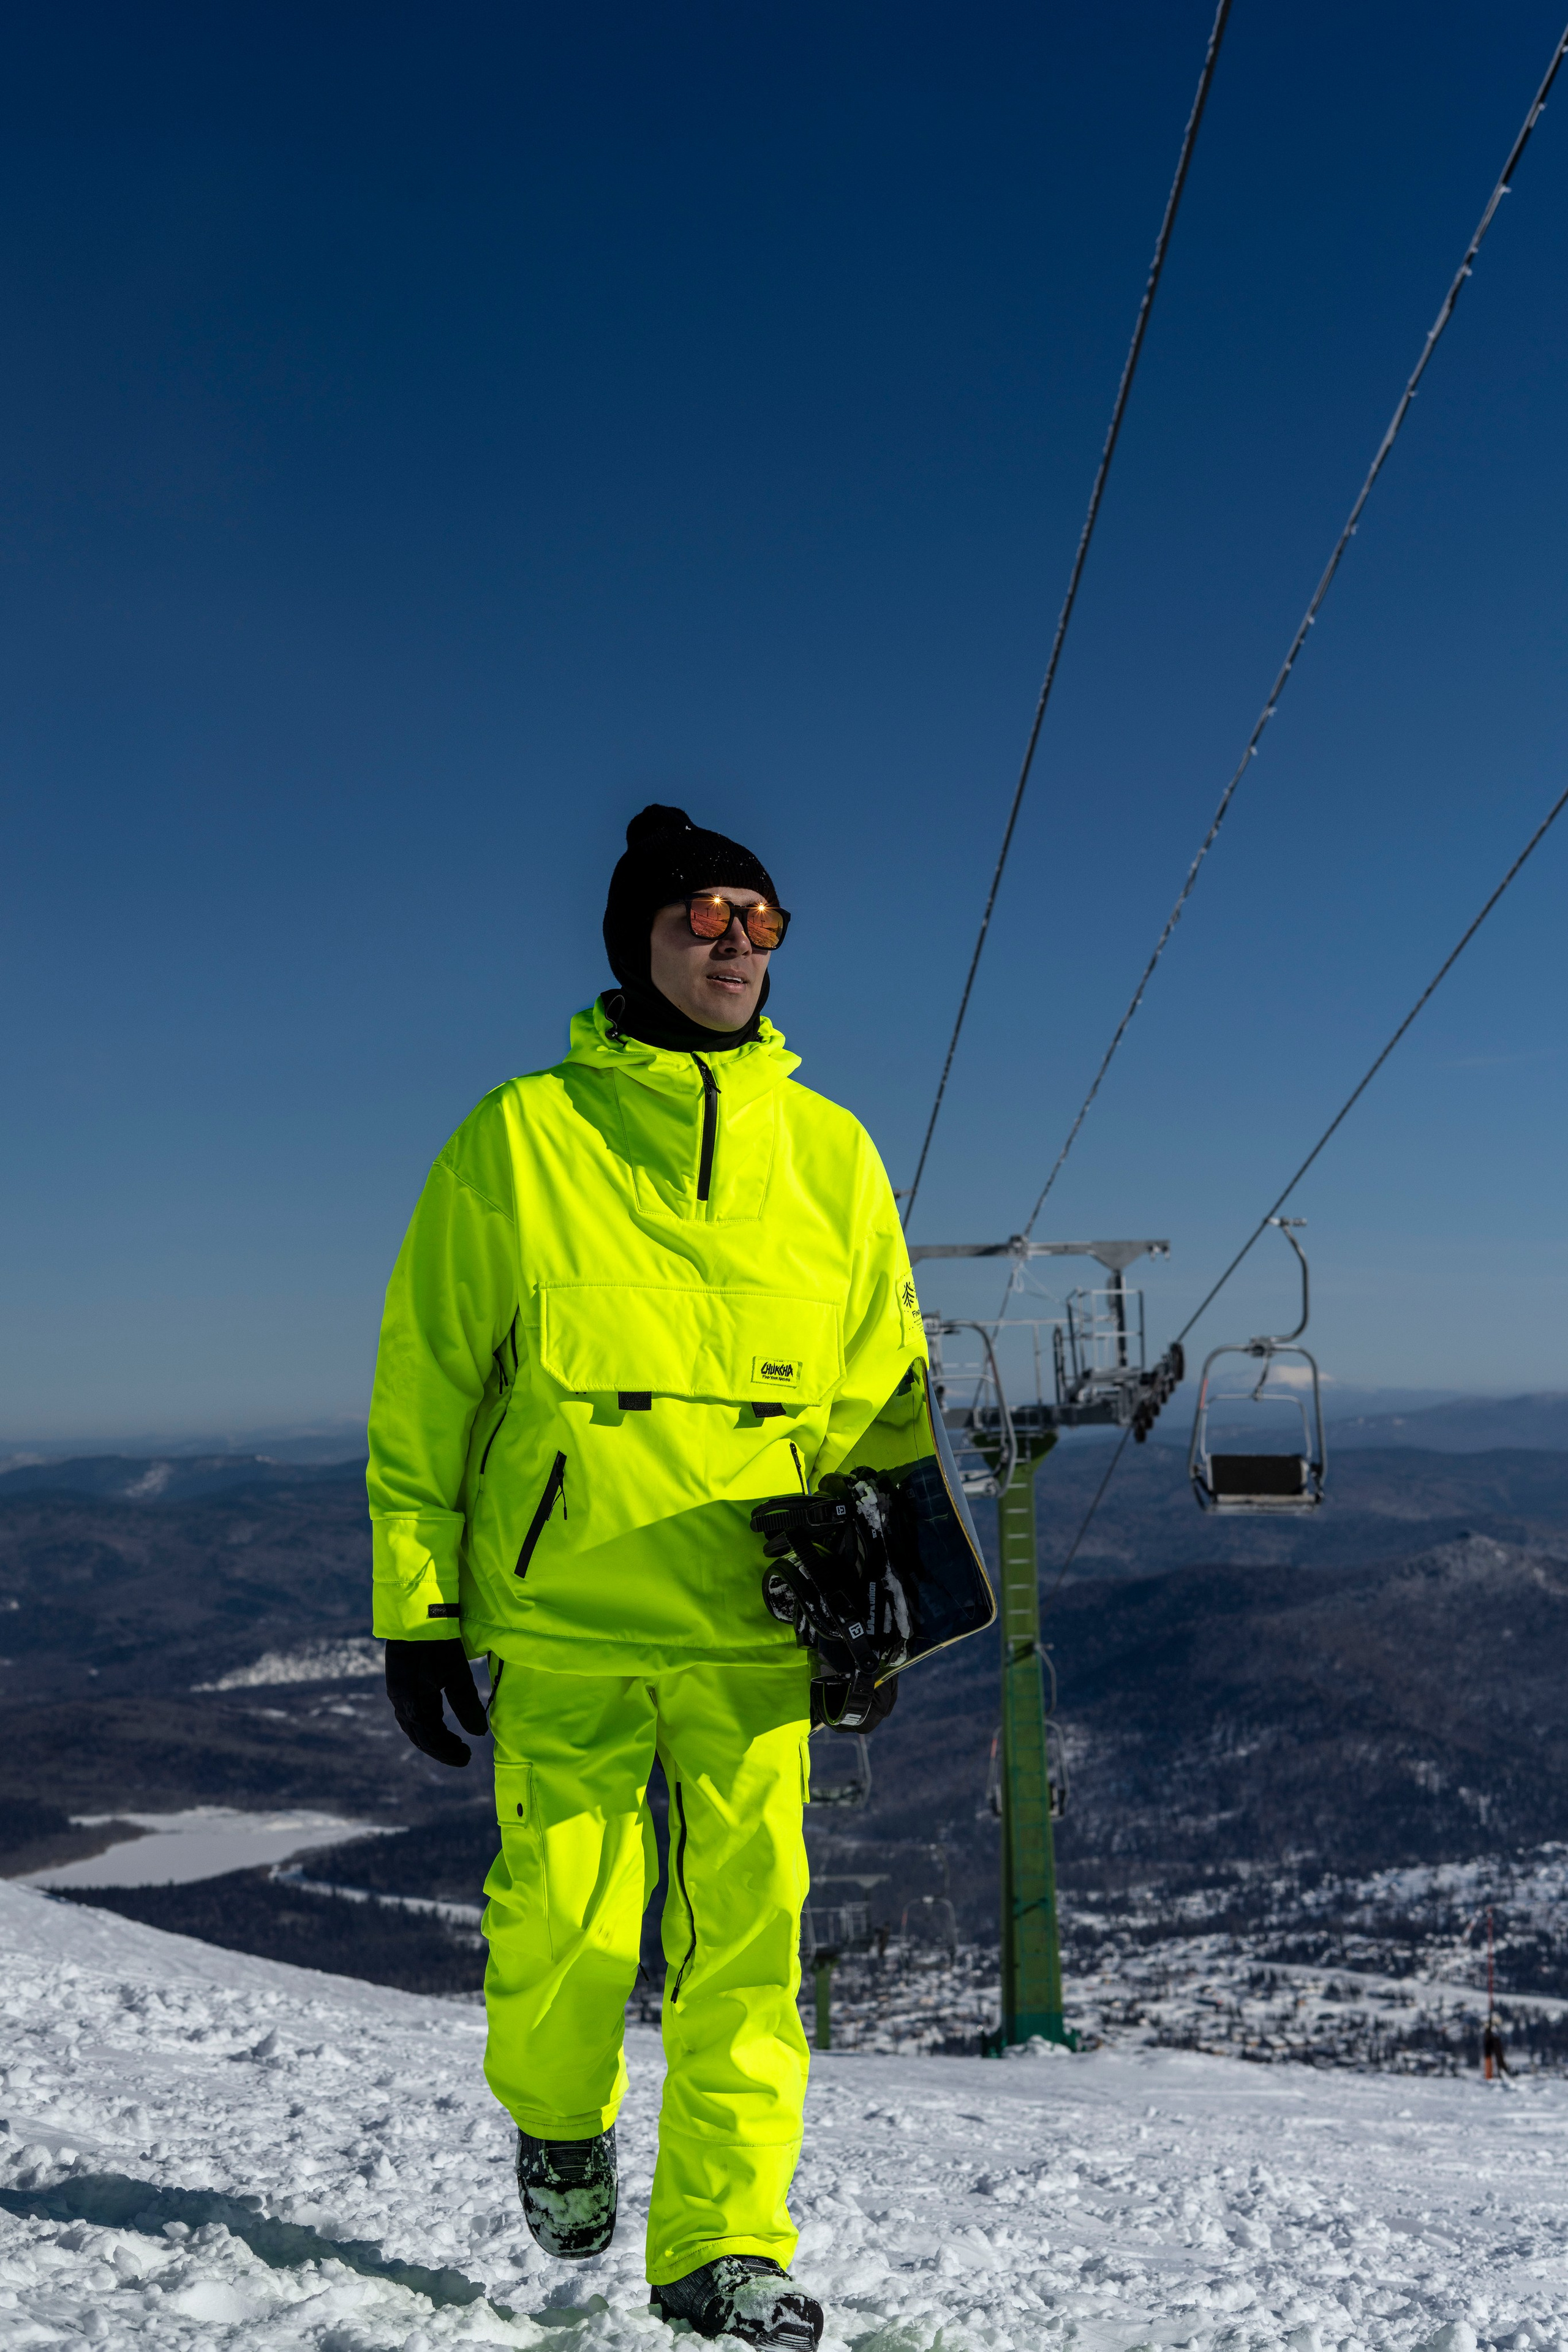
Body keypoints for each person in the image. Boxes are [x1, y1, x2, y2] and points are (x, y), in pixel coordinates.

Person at [366, 805, 939, 2348]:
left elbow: (886, 1393)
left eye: (762, 920)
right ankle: (559, 2124)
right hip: (569, 1615)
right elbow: (431, 1382)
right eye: (705, 916)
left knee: (747, 1949)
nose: (737, 945)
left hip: (758, 1625)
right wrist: (416, 1606)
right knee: (563, 1923)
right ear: (636, 937)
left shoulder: (829, 1154)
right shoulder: (520, 1137)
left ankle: (719, 2247)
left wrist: (892, 1592)